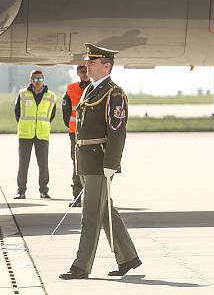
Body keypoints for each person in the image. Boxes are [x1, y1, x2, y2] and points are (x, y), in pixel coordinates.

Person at [59, 44, 141, 280]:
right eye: (88, 61)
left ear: (107, 66)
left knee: (90, 214)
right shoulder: (89, 91)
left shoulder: (114, 93)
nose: (88, 65)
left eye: (93, 62)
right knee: (104, 210)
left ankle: (81, 266)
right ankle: (128, 257)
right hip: (85, 159)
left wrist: (111, 163)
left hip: (99, 161)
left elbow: (117, 131)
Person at [14, 69, 56, 200]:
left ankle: (44, 191)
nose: (37, 82)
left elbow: (52, 114)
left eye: (39, 79)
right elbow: (17, 112)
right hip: (25, 134)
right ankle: (21, 191)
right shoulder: (22, 94)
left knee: (43, 164)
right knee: (23, 164)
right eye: (34, 79)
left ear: (43, 79)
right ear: (30, 80)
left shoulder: (51, 96)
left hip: (42, 134)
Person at [62, 65, 91, 207]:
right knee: (77, 164)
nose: (84, 74)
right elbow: (65, 110)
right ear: (78, 73)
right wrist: (72, 127)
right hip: (75, 132)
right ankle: (77, 197)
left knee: (92, 164)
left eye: (86, 71)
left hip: (92, 133)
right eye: (81, 71)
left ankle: (92, 196)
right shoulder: (71, 89)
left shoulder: (96, 87)